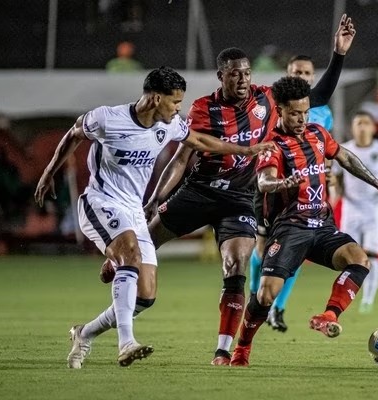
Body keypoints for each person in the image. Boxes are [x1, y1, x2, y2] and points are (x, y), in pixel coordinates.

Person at [101, 14, 355, 366]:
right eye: (234, 73)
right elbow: (180, 158)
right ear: (221, 76)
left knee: (235, 264)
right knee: (144, 244)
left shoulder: (266, 100)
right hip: (199, 190)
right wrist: (155, 200)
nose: (242, 79)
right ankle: (115, 266)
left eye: (247, 72)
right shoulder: (203, 109)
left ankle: (223, 349)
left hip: (239, 198)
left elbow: (318, 96)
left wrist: (338, 55)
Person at [34, 66, 274, 369]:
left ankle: (85, 332)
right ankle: (126, 343)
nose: (179, 109)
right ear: (156, 98)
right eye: (175, 102)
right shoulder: (108, 118)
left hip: (133, 211)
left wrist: (247, 150)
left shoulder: (170, 125)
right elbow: (74, 133)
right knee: (130, 256)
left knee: (145, 296)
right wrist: (48, 173)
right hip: (101, 202)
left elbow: (201, 142)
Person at [230, 76, 378, 366]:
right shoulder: (272, 144)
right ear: (281, 111)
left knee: (359, 259)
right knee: (264, 296)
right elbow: (264, 181)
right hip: (290, 229)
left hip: (322, 226)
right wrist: (285, 182)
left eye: (305, 112)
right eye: (294, 113)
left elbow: (346, 157)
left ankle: (328, 316)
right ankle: (242, 348)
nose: (301, 119)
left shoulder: (318, 134)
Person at [250, 54, 335, 332]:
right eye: (296, 71)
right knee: (262, 249)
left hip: (304, 193)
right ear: (288, 73)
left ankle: (278, 308)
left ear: (312, 76)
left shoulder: (321, 112)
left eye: (307, 72)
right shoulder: (277, 104)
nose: (302, 76)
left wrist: (328, 176)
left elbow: (327, 150)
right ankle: (257, 299)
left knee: (297, 253)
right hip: (272, 188)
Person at [331, 110, 378, 313]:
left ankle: (368, 300)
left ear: (373, 127)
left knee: (372, 255)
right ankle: (347, 296)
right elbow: (334, 177)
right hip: (351, 209)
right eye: (358, 123)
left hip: (374, 210)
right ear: (352, 128)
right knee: (350, 256)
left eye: (365, 123)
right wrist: (333, 194)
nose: (361, 127)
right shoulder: (344, 149)